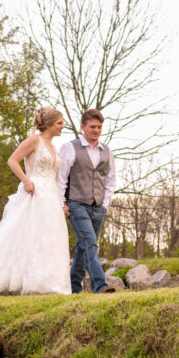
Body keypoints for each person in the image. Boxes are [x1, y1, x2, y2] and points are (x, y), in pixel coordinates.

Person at [0, 107, 71, 297]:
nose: (62, 126)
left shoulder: (53, 147)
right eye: (60, 123)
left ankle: (47, 283)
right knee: (29, 235)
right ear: (50, 123)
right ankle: (14, 281)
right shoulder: (34, 140)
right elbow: (12, 160)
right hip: (35, 192)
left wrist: (62, 203)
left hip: (51, 195)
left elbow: (56, 178)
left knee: (50, 237)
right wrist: (26, 180)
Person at [56, 109, 117, 294]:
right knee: (91, 243)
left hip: (98, 207)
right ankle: (100, 286)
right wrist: (62, 203)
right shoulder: (69, 147)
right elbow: (61, 178)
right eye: (92, 127)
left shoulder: (107, 151)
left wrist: (105, 204)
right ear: (83, 127)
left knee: (84, 248)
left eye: (99, 127)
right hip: (76, 204)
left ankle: (74, 288)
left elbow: (110, 180)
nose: (96, 130)